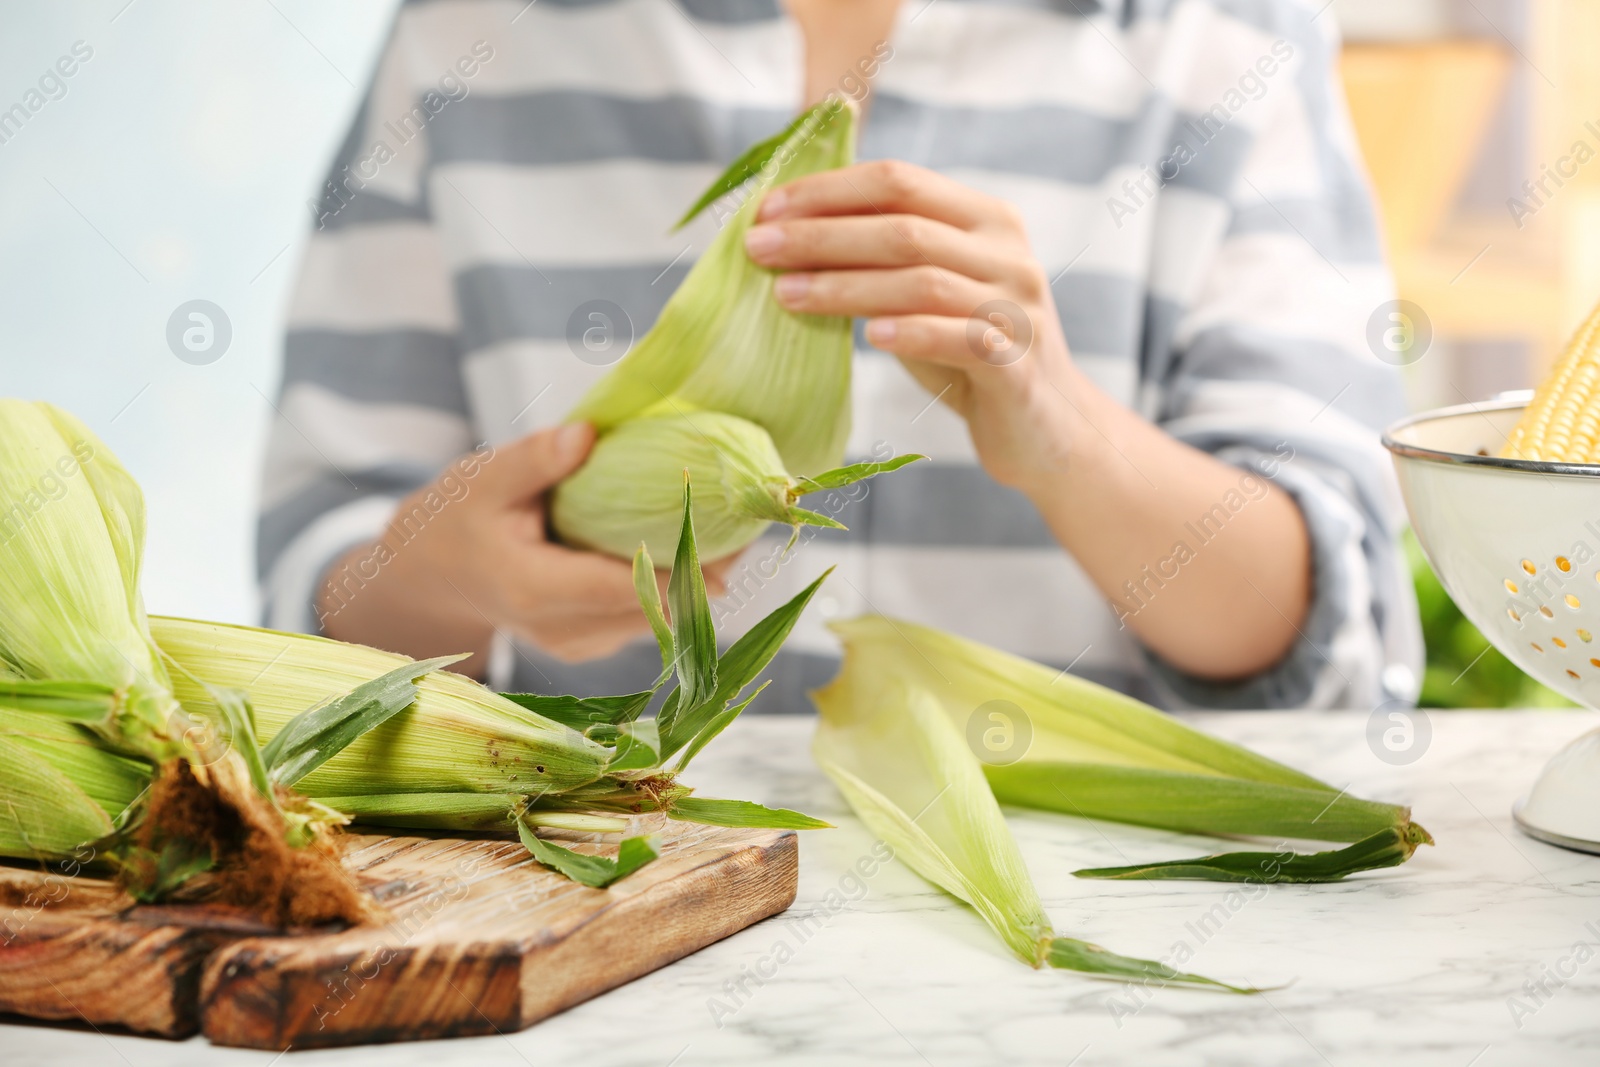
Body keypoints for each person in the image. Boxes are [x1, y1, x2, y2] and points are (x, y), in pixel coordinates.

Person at [259, 0, 1420, 713]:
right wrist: (449, 576)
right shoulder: (465, 35)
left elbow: (1332, 650)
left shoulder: (1226, 36)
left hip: (1070, 941)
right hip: (596, 918)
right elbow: (309, 607)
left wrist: (1066, 434)